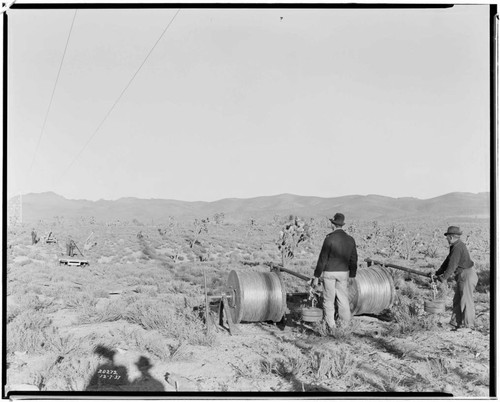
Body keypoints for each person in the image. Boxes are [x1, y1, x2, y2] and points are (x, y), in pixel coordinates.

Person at [311, 213, 358, 329]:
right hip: (343, 273)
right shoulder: (350, 240)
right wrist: (352, 275)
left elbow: (322, 259)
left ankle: (331, 326)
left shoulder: (329, 239)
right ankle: (344, 326)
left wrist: (316, 276)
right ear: (342, 225)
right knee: (343, 299)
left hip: (329, 273)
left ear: (333, 225)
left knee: (329, 299)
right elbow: (354, 259)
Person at [430, 226, 477, 330]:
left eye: (447, 237)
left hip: (466, 275)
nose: (446, 239)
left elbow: (452, 265)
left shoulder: (458, 247)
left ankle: (469, 326)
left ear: (450, 237)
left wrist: (444, 278)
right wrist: (438, 273)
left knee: (466, 300)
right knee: (457, 300)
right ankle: (455, 323)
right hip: (463, 275)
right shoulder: (455, 246)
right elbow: (447, 262)